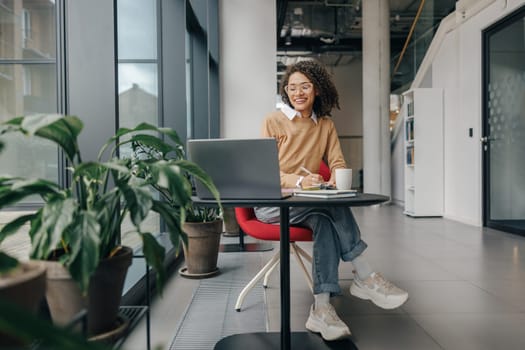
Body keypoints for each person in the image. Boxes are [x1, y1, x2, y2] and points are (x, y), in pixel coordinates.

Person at [254, 59, 408, 341]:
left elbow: (337, 161)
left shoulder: (324, 125)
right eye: (291, 88)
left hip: (307, 204)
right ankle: (364, 273)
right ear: (285, 92)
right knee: (328, 208)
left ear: (317, 90)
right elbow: (266, 173)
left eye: (305, 86)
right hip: (272, 204)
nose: (297, 93)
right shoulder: (272, 121)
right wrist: (300, 180)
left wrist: (336, 177)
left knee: (325, 220)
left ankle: (322, 309)